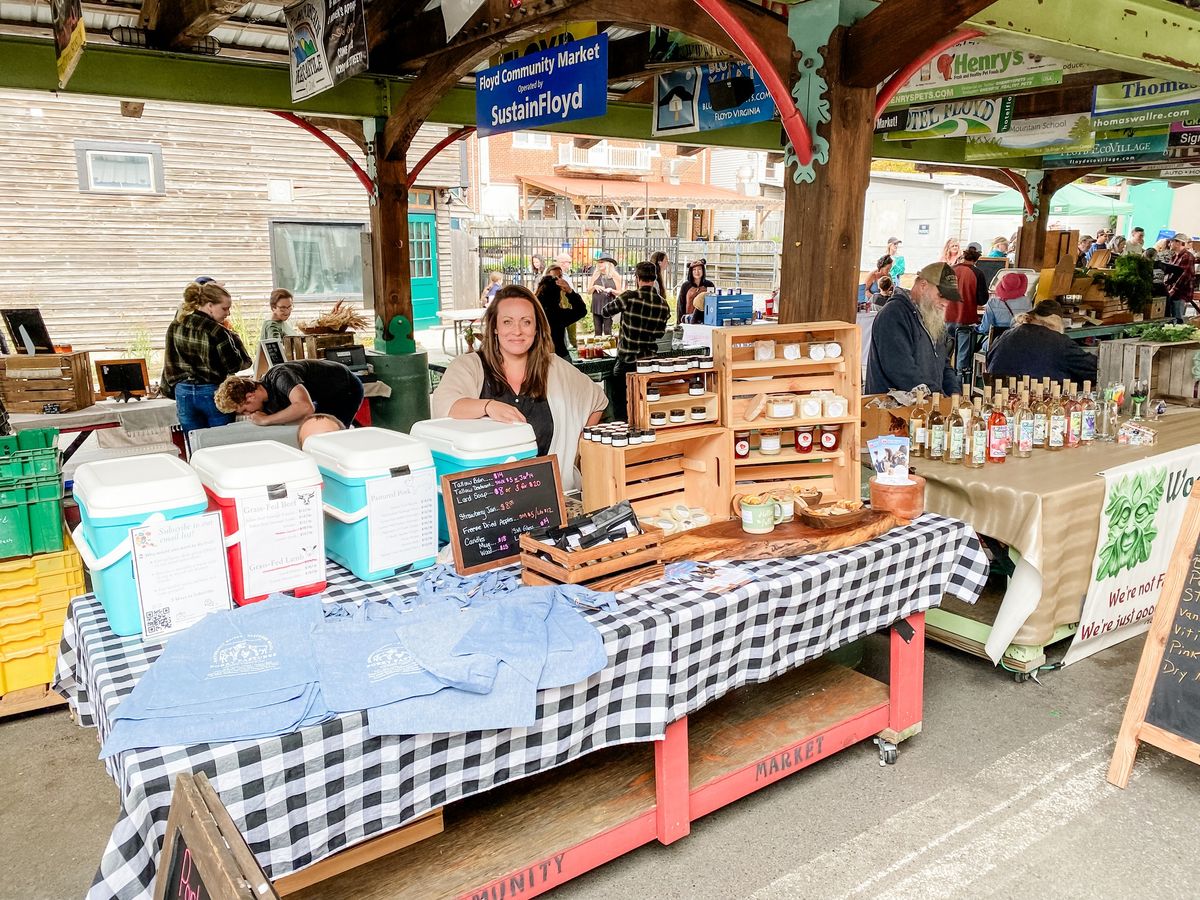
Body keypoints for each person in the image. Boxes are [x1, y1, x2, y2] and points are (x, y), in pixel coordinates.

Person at [430, 285, 607, 492]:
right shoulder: (470, 366)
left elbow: (597, 400)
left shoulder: (554, 367)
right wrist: (488, 406)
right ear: (495, 327)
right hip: (486, 498)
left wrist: (578, 450)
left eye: (526, 322)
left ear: (536, 328)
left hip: (547, 495)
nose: (517, 331)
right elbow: (445, 406)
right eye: (507, 322)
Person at [162, 280, 252, 437]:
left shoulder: (175, 325)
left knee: (195, 443)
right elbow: (235, 366)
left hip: (183, 392)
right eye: (225, 308)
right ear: (209, 305)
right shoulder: (218, 331)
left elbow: (169, 361)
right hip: (213, 391)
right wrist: (234, 337)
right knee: (221, 442)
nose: (228, 313)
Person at [865, 262, 962, 396]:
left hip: (926, 405)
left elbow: (944, 364)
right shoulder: (894, 314)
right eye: (941, 295)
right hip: (893, 410)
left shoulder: (931, 316)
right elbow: (901, 370)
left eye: (949, 299)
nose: (945, 303)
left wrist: (954, 396)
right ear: (923, 286)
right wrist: (938, 398)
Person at [602, 261, 671, 414]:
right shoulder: (663, 305)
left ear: (637, 278)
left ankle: (623, 429)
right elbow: (660, 333)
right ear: (654, 278)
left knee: (621, 405)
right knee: (645, 403)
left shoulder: (629, 297)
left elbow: (605, 311)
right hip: (650, 361)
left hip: (627, 360)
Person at [214, 359, 365, 428]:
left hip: (345, 387)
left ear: (250, 396)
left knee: (330, 433)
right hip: (320, 395)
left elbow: (305, 407)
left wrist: (267, 420)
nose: (248, 413)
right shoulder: (266, 403)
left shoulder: (280, 376)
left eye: (245, 410)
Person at [986, 300, 1098, 384]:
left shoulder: (1003, 337)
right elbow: (1095, 371)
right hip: (1039, 404)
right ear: (1057, 325)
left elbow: (989, 362)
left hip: (998, 400)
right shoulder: (1059, 342)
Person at [947, 247, 986, 385]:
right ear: (976, 260)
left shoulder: (950, 270)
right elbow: (982, 299)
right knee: (962, 356)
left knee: (945, 352)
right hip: (965, 318)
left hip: (946, 316)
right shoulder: (977, 273)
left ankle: (943, 383)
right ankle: (959, 386)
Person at [534, 270, 586, 359]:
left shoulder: (531, 312)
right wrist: (570, 291)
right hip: (560, 355)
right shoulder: (558, 314)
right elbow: (581, 310)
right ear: (558, 295)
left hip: (537, 357)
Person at [977, 271, 1032, 348]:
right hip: (1020, 342)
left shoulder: (993, 303)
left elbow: (985, 328)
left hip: (997, 343)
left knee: (982, 345)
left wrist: (976, 327)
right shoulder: (1027, 302)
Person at [587, 256, 623, 336]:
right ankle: (598, 348)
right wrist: (594, 287)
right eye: (598, 262)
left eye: (601, 262)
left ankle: (608, 347)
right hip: (596, 306)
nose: (599, 264)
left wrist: (611, 290)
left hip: (609, 307)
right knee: (597, 332)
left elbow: (620, 293)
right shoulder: (595, 274)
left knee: (607, 331)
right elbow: (589, 291)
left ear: (608, 263)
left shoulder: (615, 275)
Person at [1166, 232, 1197, 320]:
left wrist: (1173, 290)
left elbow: (1184, 276)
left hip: (1180, 294)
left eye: (1172, 242)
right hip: (1173, 293)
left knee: (1178, 319)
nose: (1170, 244)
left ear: (1178, 243)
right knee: (1171, 319)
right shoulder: (1174, 256)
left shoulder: (1187, 256)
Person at [676, 258, 714, 323]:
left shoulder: (709, 285)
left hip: (704, 320)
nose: (697, 272)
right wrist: (680, 322)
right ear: (691, 272)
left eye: (699, 269)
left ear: (703, 270)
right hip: (688, 319)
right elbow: (680, 305)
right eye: (694, 270)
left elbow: (712, 303)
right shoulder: (685, 286)